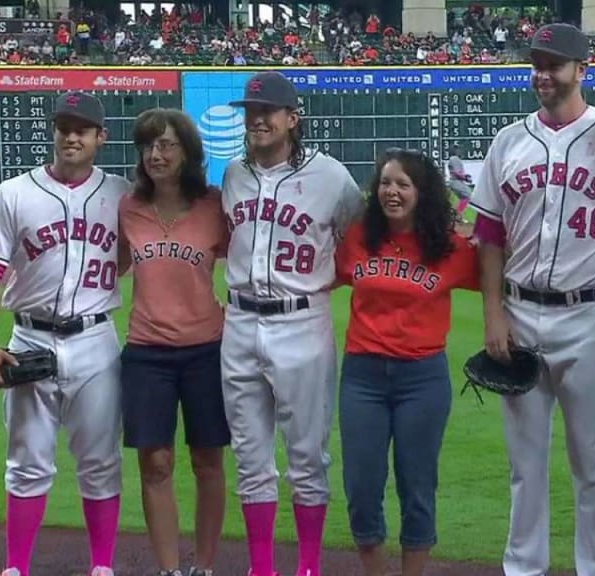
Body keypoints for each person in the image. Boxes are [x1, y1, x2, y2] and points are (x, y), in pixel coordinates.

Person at [470, 23, 595, 576]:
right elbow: (488, 235)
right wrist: (493, 314)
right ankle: (523, 567)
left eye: (554, 64)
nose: (542, 73)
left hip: (590, 314)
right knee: (525, 463)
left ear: (582, 71)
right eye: (536, 63)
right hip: (520, 314)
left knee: (594, 464)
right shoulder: (508, 141)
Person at [0, 91, 128, 576]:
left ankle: (102, 566)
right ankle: (16, 567)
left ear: (101, 136)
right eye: (63, 126)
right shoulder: (14, 193)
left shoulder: (122, 194)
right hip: (30, 340)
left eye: (82, 127)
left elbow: (137, 254)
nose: (71, 135)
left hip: (96, 342)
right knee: (26, 462)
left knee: (101, 462)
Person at [220, 71, 364, 576]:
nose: (256, 119)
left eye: (267, 112)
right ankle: (262, 568)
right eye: (250, 111)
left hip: (302, 322)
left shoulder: (331, 177)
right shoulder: (234, 174)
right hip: (239, 323)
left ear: (292, 119)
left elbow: (360, 242)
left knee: (307, 457)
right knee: (251, 458)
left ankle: (307, 567)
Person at [334, 148, 480, 576]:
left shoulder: (450, 245)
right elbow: (319, 278)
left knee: (417, 486)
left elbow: (501, 271)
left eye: (403, 184)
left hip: (422, 377)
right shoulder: (360, 236)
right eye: (385, 182)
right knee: (362, 487)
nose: (391, 191)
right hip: (362, 374)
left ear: (422, 192)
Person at [117, 108, 230, 576]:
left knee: (207, 460)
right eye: (147, 146)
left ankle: (203, 567)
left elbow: (251, 261)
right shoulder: (127, 207)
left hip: (206, 347)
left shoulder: (214, 205)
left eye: (165, 145)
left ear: (188, 151)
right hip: (147, 351)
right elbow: (108, 265)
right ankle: (168, 569)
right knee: (156, 463)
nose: (155, 155)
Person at [446, 144, 472, 221]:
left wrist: (464, 177)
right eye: (457, 149)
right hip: (455, 181)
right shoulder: (455, 159)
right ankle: (458, 215)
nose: (459, 151)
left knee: (463, 197)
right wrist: (465, 178)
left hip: (455, 182)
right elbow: (456, 173)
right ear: (454, 151)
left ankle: (457, 215)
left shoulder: (453, 159)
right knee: (467, 195)